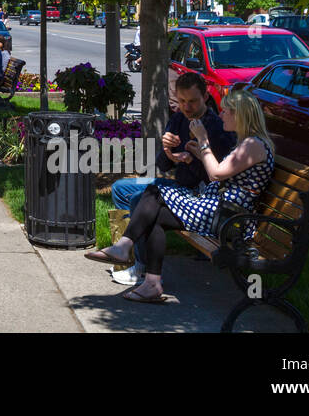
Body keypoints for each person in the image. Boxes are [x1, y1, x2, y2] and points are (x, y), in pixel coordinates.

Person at [85, 87, 276, 303]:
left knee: (155, 192)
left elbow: (216, 174)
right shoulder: (249, 142)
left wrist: (203, 141)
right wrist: (196, 154)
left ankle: (124, 246)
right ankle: (152, 284)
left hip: (228, 218)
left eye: (226, 111)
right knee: (154, 215)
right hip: (219, 211)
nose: (222, 114)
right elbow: (222, 173)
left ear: (239, 114)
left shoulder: (253, 144)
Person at [107, 71, 234, 286]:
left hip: (197, 192)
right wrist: (168, 152)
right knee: (121, 188)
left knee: (140, 198)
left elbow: (216, 179)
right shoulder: (178, 119)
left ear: (205, 97)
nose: (186, 107)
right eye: (182, 101)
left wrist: (190, 160)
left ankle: (142, 266)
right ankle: (130, 253)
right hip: (177, 183)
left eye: (192, 101)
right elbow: (163, 165)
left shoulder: (217, 127)